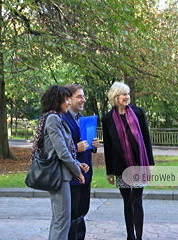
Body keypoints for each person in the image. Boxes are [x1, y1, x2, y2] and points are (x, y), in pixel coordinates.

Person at [30, 85, 89, 240]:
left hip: (61, 174)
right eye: (66, 99)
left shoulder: (53, 118)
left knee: (59, 219)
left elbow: (63, 150)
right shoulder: (54, 119)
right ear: (58, 101)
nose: (68, 103)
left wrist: (77, 163)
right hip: (59, 176)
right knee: (62, 220)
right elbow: (62, 152)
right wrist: (77, 172)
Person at [101, 82, 155, 240]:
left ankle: (139, 236)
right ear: (115, 97)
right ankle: (130, 236)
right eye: (124, 94)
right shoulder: (107, 118)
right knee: (127, 201)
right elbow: (109, 147)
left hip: (139, 164)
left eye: (128, 94)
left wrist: (150, 163)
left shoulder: (138, 113)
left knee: (137, 201)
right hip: (120, 167)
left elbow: (146, 138)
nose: (127, 97)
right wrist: (109, 171)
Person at [63, 84, 100, 240]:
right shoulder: (61, 119)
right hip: (71, 175)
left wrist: (93, 146)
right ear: (68, 99)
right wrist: (75, 148)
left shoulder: (84, 120)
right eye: (79, 96)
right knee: (72, 214)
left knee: (82, 212)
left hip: (86, 173)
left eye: (83, 96)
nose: (83, 100)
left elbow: (85, 144)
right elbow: (58, 148)